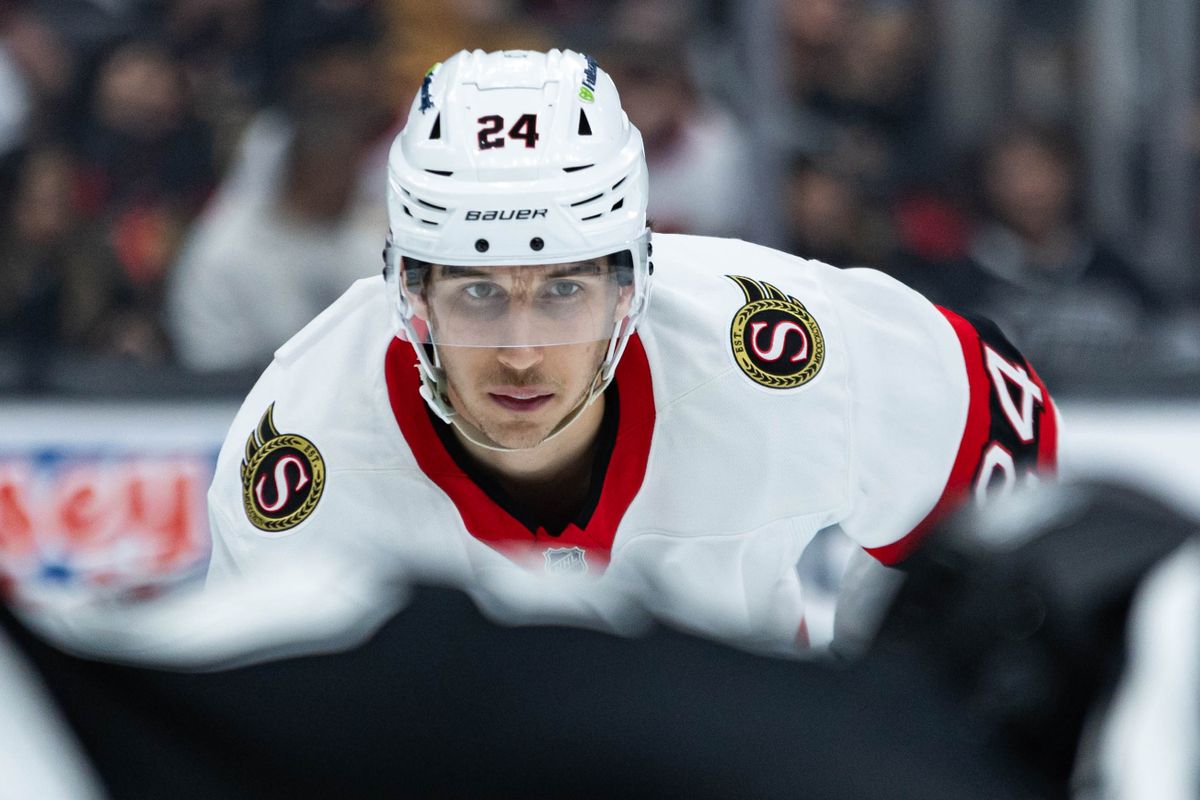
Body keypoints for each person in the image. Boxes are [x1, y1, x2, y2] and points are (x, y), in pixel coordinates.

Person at [204, 49, 1059, 650]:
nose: (522, 354)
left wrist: (888, 712)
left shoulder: (772, 345)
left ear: (632, 287)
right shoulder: (304, 451)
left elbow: (993, 423)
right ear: (410, 294)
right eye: (477, 294)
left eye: (563, 290)